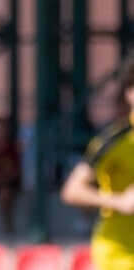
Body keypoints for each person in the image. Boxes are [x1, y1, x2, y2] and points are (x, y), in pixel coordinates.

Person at [61, 57, 134, 269]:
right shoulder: (114, 140)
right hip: (120, 253)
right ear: (130, 93)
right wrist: (119, 201)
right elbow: (72, 190)